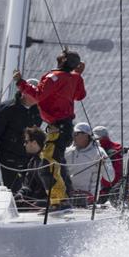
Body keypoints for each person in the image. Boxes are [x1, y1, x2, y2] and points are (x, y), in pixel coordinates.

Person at [14, 48, 86, 208]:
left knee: (46, 166)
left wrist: (20, 83)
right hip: (64, 128)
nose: (61, 52)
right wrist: (78, 75)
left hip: (58, 129)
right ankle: (67, 197)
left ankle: (59, 201)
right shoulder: (74, 77)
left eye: (64, 53)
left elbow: (38, 95)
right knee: (57, 163)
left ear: (63, 60)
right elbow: (80, 96)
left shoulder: (53, 77)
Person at [0, 80, 42, 191]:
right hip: (9, 157)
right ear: (23, 92)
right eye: (33, 92)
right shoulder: (6, 108)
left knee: (31, 190)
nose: (36, 96)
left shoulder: (39, 111)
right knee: (14, 190)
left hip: (30, 157)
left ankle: (27, 206)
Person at [64, 122, 113, 206]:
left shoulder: (99, 152)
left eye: (76, 134)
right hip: (68, 196)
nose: (74, 136)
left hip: (88, 200)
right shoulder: (67, 152)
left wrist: (103, 165)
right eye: (73, 134)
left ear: (86, 135)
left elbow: (110, 178)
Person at [14, 127, 49, 210]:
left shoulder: (49, 161)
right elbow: (28, 185)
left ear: (34, 142)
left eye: (26, 141)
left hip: (50, 203)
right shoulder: (33, 161)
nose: (24, 144)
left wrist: (43, 202)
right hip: (36, 201)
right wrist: (20, 194)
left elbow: (55, 189)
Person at [92, 125, 123, 201]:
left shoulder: (106, 151)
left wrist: (102, 189)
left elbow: (111, 175)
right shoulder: (116, 149)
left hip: (106, 188)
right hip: (116, 186)